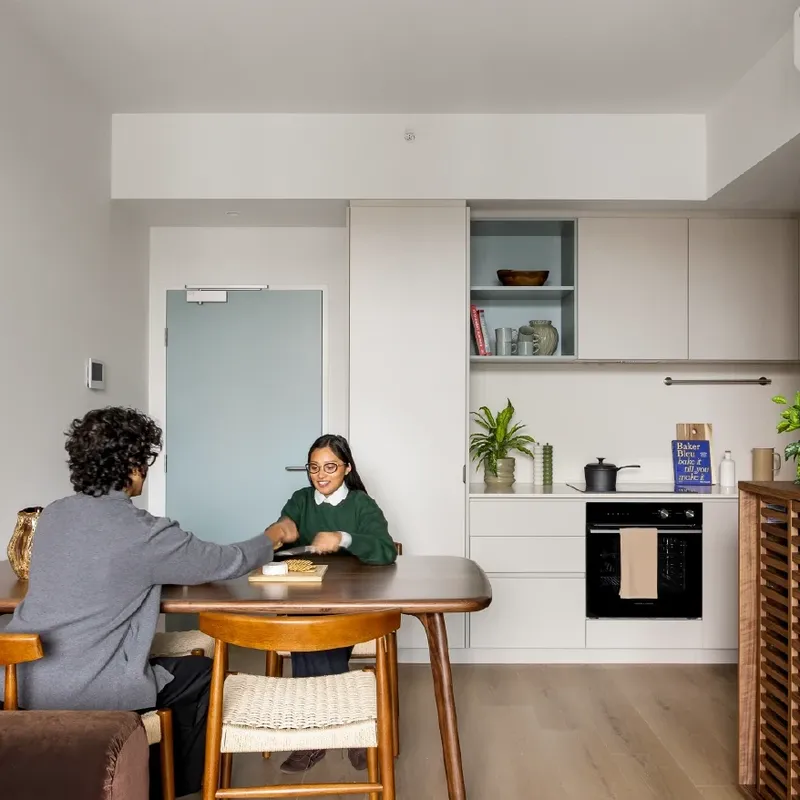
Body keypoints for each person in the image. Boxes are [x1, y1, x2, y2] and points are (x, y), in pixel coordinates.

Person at [3, 407, 297, 799]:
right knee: (202, 674)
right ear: (130, 465)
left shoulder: (54, 514)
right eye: (143, 460)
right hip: (90, 691)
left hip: (19, 679)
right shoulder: (145, 534)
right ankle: (173, 788)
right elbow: (226, 562)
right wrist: (272, 535)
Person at [274, 434, 396, 775]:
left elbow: (385, 550)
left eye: (330, 467)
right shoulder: (301, 500)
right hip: (306, 600)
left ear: (347, 468)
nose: (321, 475)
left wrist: (344, 538)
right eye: (314, 468)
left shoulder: (361, 505)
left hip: (351, 603)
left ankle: (313, 737)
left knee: (310, 636)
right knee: (307, 628)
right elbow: (286, 530)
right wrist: (279, 531)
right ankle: (355, 727)